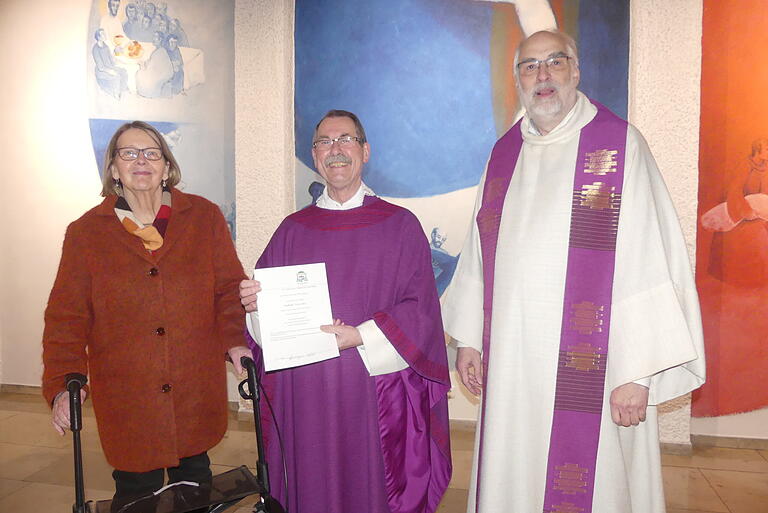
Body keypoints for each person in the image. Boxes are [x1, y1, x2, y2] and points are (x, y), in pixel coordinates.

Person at [442, 30, 706, 513]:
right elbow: (480, 256)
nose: (542, 76)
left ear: (576, 71)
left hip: (598, 370)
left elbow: (650, 260)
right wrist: (470, 341)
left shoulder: (619, 146)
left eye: (554, 62)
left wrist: (638, 372)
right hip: (513, 364)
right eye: (529, 66)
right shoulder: (504, 155)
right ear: (517, 80)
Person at [239, 110, 452, 513]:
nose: (335, 150)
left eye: (345, 140)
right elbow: (266, 318)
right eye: (324, 142)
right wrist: (254, 305)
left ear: (365, 151)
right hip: (304, 391)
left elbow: (421, 309)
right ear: (314, 155)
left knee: (366, 485)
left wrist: (362, 336)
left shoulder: (400, 225)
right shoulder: (293, 229)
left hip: (371, 390)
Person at [42, 121, 251, 507]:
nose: (141, 161)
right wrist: (62, 382)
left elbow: (227, 290)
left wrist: (236, 342)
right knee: (137, 495)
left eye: (152, 152)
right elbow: (66, 317)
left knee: (196, 488)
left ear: (167, 166)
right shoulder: (86, 233)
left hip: (193, 389)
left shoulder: (203, 217)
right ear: (113, 168)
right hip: (128, 396)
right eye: (129, 153)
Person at [92, 28, 128, 100]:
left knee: (123, 71)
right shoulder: (95, 49)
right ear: (98, 37)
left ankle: (122, 88)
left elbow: (111, 59)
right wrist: (110, 71)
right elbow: (100, 67)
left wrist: (120, 62)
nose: (105, 35)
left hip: (110, 66)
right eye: (103, 34)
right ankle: (116, 94)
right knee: (116, 75)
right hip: (102, 71)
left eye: (105, 33)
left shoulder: (106, 46)